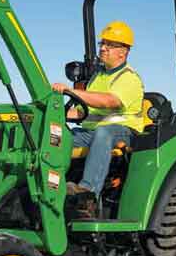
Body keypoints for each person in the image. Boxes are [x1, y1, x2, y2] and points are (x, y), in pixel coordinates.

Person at [52, 21, 145, 206]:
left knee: (104, 133)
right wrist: (54, 114)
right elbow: (83, 112)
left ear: (123, 51)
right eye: (102, 44)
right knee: (55, 137)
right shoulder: (98, 77)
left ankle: (87, 192)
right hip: (90, 132)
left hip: (123, 132)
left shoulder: (128, 77)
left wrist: (71, 91)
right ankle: (52, 189)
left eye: (109, 45)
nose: (103, 48)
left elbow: (109, 101)